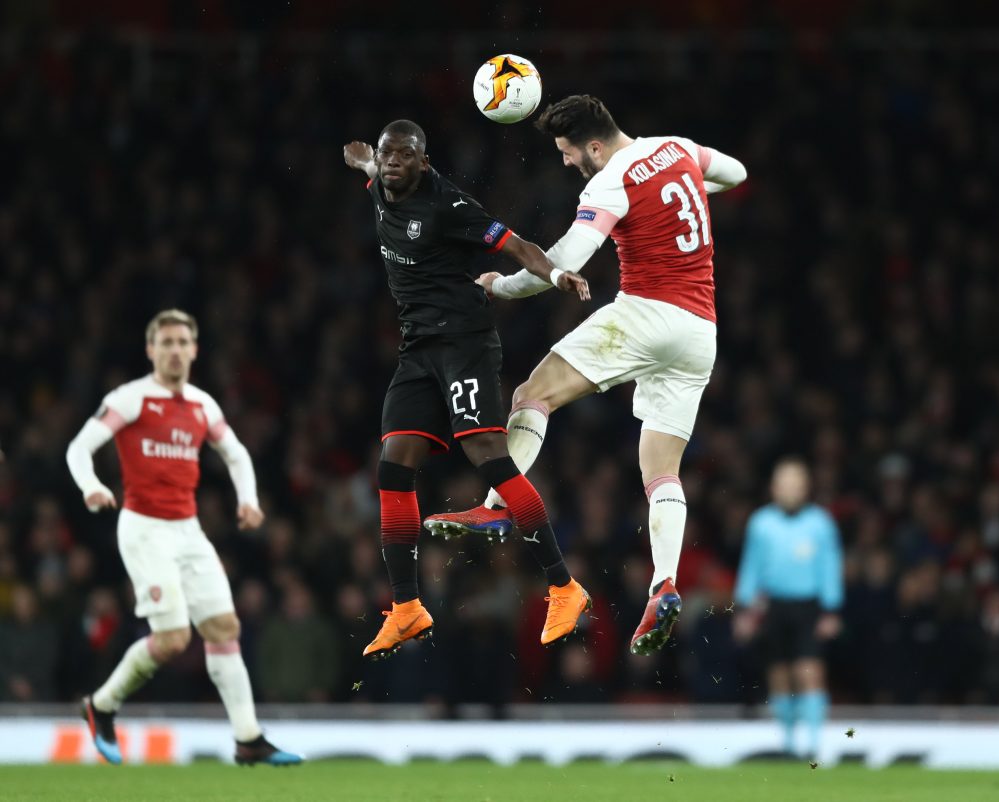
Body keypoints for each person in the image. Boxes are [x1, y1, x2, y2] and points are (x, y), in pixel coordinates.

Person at [424, 95, 747, 656]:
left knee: (533, 393)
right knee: (661, 473)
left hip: (646, 312)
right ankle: (663, 583)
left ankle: (498, 507)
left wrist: (501, 286)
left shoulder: (610, 181)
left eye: (569, 154)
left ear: (593, 145)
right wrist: (687, 192)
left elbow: (563, 260)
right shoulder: (676, 150)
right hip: (700, 333)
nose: (568, 164)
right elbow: (737, 173)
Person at [343, 119, 593, 661]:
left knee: (489, 459)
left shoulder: (447, 205)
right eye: (386, 155)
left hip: (464, 344)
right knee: (393, 466)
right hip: (419, 350)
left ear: (424, 163)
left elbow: (517, 245)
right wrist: (362, 158)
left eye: (404, 156)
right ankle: (407, 608)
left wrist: (555, 276)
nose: (391, 163)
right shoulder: (380, 183)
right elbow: (371, 165)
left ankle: (564, 588)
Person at [66, 309, 301, 767]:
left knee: (223, 628)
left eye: (182, 343)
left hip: (188, 530)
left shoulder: (202, 404)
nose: (174, 351)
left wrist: (248, 500)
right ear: (151, 350)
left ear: (194, 350)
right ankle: (101, 705)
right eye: (166, 343)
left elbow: (236, 455)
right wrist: (91, 486)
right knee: (172, 639)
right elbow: (79, 448)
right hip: (144, 528)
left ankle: (248, 738)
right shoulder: (132, 399)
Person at [732, 458, 844, 758]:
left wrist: (831, 610)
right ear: (774, 488)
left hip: (808, 606)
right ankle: (788, 743)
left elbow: (829, 566)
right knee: (779, 674)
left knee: (810, 671)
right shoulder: (761, 522)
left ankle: (814, 744)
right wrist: (744, 608)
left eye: (797, 484)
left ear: (806, 488)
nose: (791, 490)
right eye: (785, 483)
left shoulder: (820, 523)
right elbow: (751, 567)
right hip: (773, 605)